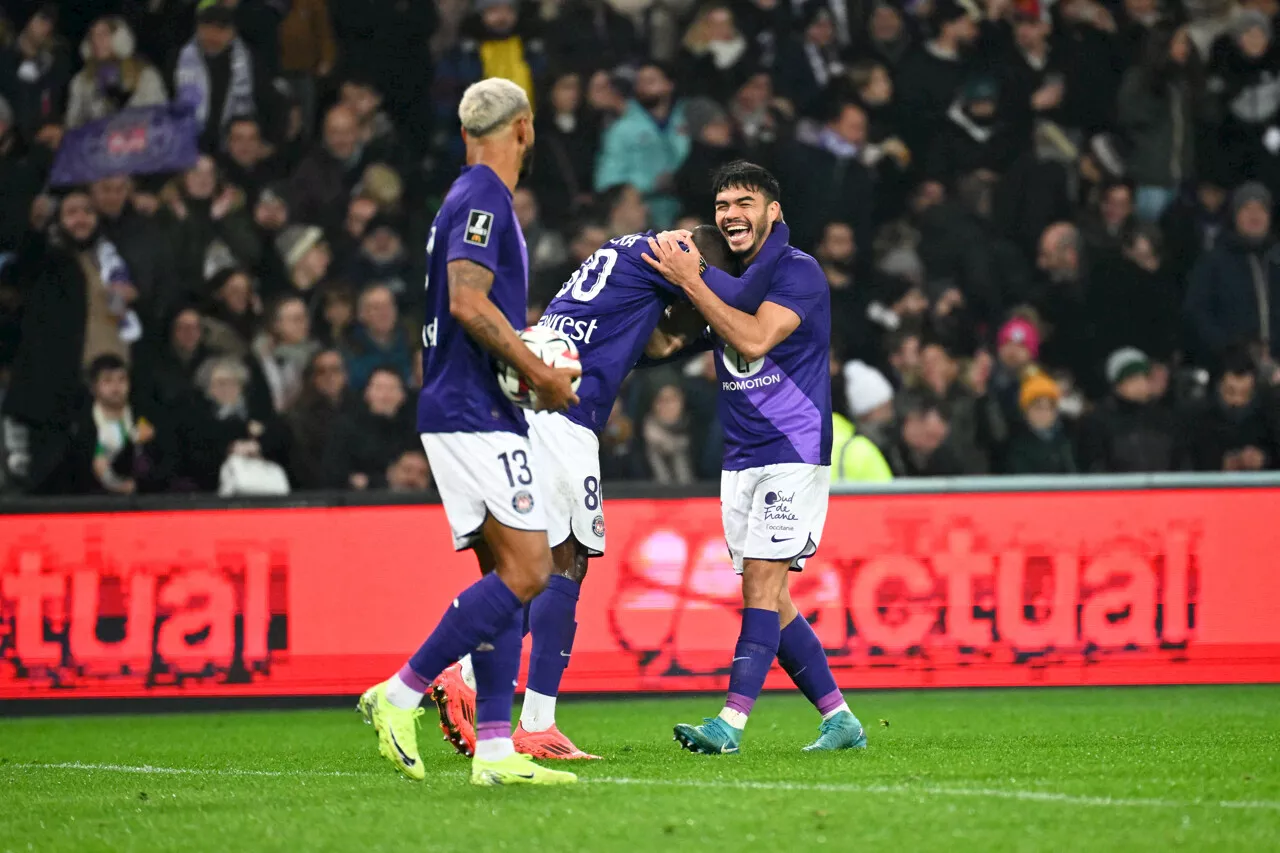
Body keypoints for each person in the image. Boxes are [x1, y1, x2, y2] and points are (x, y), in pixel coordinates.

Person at [430, 223, 749, 759]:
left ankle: (499, 697)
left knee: (537, 567)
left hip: (529, 400)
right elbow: (716, 300)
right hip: (563, 411)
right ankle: (506, 703)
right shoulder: (674, 255)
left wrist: (692, 334)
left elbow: (655, 339)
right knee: (564, 565)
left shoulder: (628, 250)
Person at [356, 78, 581, 788]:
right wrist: (536, 371)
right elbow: (466, 301)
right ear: (525, 129)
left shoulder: (463, 196)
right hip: (474, 410)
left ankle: (492, 750)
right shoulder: (484, 194)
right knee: (531, 570)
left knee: (501, 578)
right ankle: (399, 694)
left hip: (463, 405)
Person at [644, 161, 867, 754]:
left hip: (792, 449)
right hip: (741, 456)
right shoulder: (722, 276)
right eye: (721, 205)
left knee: (760, 588)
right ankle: (840, 719)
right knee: (774, 598)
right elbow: (670, 340)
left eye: (744, 201)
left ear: (774, 211)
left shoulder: (798, 271)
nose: (730, 214)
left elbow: (751, 339)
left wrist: (692, 281)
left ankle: (731, 723)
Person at [593, 62, 690, 228]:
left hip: (683, 207)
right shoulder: (622, 128)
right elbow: (606, 180)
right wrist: (648, 184)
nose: (644, 87)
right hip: (641, 214)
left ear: (669, 85)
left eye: (651, 81)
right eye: (640, 82)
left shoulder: (685, 120)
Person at [322, 365, 414, 489]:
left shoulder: (413, 432)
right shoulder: (345, 429)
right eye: (379, 388)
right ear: (367, 393)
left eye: (392, 389)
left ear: (403, 396)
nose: (385, 395)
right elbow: (335, 475)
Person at [66, 16, 168, 128]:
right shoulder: (82, 81)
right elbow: (72, 122)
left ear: (119, 38)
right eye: (92, 36)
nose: (96, 40)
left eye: (104, 34)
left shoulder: (145, 74)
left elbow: (160, 115)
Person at [1004, 372, 1077, 474]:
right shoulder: (1018, 445)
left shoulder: (1065, 442)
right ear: (1026, 411)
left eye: (1049, 408)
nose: (1044, 414)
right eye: (1038, 408)